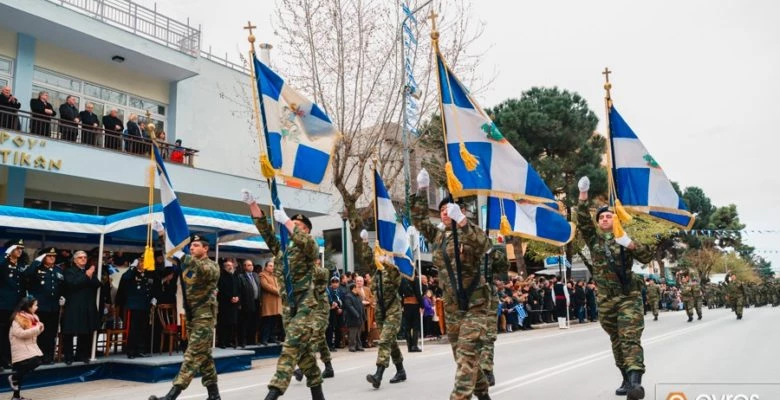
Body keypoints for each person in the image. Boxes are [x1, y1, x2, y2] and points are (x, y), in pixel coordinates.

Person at [411, 169, 492, 400]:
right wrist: (422, 191)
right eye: (442, 210)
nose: (445, 213)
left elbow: (485, 246)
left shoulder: (470, 232)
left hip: (475, 304)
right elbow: (419, 221)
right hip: (453, 307)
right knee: (462, 356)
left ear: (460, 211)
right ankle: (483, 394)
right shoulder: (439, 236)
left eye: (450, 209)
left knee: (466, 354)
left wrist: (463, 222)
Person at [576, 176, 655, 400]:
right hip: (606, 301)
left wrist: (629, 243)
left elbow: (647, 256)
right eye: (601, 217)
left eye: (608, 216)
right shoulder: (595, 241)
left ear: (616, 219)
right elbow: (583, 221)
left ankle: (636, 384)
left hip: (628, 297)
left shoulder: (625, 238)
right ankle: (625, 378)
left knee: (630, 338)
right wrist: (583, 195)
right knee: (617, 341)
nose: (604, 219)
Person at [242, 190, 324, 400]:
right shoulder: (282, 249)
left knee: (290, 346)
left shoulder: (309, 246)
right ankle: (318, 394)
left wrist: (287, 221)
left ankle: (273, 392)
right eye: (291, 224)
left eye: (298, 226)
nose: (292, 227)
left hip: (305, 302)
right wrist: (253, 205)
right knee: (304, 353)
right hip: (288, 305)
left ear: (306, 230)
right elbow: (266, 232)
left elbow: (310, 247)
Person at [149, 234, 221, 400]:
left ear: (205, 248)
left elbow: (202, 269)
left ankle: (171, 395)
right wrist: (163, 236)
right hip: (190, 315)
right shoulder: (187, 265)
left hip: (204, 316)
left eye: (196, 245)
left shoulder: (212, 266)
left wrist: (183, 256)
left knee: (192, 355)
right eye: (191, 246)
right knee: (204, 357)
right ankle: (214, 395)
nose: (192, 248)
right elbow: (173, 253)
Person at [359, 229, 407, 389]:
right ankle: (401, 370)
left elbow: (395, 273)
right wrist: (365, 242)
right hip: (381, 310)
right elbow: (367, 259)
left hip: (393, 310)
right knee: (390, 342)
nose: (379, 256)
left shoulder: (393, 272)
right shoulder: (376, 272)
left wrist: (387, 261)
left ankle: (378, 374)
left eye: (382, 254)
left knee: (385, 340)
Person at [293, 260, 335, 381]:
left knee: (314, 336)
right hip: (311, 309)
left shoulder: (323, 271)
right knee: (321, 339)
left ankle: (302, 369)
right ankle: (329, 367)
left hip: (321, 310)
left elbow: (317, 273)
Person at [22, 247, 63, 364]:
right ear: (43, 257)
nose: (52, 258)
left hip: (53, 307)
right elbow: (26, 275)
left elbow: (62, 286)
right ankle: (37, 356)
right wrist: (36, 261)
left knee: (51, 333)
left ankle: (48, 356)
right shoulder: (36, 268)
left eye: (54, 256)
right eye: (49, 256)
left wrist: (63, 297)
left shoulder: (58, 270)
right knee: (38, 333)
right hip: (39, 307)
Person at [61, 250, 101, 365]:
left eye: (85, 257)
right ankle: (68, 356)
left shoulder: (88, 271)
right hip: (74, 305)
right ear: (75, 260)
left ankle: (81, 355)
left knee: (85, 331)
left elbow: (97, 284)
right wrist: (87, 275)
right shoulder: (69, 271)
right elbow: (72, 283)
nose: (83, 259)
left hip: (87, 305)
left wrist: (90, 275)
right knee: (69, 331)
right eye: (80, 257)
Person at [116, 255, 155, 358]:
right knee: (133, 329)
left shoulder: (148, 274)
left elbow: (152, 287)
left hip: (145, 305)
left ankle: (140, 350)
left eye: (144, 262)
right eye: (141, 262)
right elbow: (125, 277)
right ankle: (131, 351)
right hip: (134, 305)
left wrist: (153, 298)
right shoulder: (132, 273)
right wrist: (132, 267)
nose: (143, 264)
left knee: (143, 328)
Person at [8, 296, 44, 400]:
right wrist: (37, 329)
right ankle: (13, 377)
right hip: (20, 348)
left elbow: (33, 333)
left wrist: (40, 328)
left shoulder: (33, 318)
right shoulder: (18, 318)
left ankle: (16, 397)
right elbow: (19, 333)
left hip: (28, 347)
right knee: (35, 361)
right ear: (28, 306)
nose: (37, 307)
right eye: (35, 305)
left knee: (20, 374)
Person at [0, 240, 27, 370]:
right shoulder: (3, 264)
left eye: (21, 249)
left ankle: (10, 358)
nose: (20, 251)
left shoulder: (20, 266)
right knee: (2, 333)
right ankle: (2, 360)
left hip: (17, 306)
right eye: (17, 248)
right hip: (3, 305)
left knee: (13, 333)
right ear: (10, 250)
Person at [217, 259, 240, 348]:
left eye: (231, 265)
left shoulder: (235, 276)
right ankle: (222, 342)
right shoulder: (221, 277)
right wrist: (230, 297)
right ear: (224, 267)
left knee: (232, 323)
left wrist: (238, 297)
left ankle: (229, 341)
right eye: (228, 265)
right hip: (225, 304)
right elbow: (222, 290)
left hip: (234, 304)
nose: (230, 267)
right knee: (224, 323)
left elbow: (239, 289)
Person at [237, 259, 260, 347]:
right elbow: (239, 290)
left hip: (256, 302)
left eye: (251, 265)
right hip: (246, 302)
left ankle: (252, 340)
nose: (251, 267)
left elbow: (258, 287)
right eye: (249, 265)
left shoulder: (255, 275)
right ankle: (243, 341)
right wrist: (239, 303)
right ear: (244, 266)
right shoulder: (241, 277)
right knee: (244, 322)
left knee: (254, 322)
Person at [259, 260, 282, 346]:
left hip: (276, 302)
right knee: (267, 321)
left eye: (273, 266)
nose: (272, 267)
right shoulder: (262, 275)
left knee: (274, 321)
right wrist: (278, 291)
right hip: (268, 302)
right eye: (270, 266)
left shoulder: (275, 276)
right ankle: (264, 339)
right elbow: (266, 286)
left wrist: (280, 290)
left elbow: (280, 285)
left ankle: (272, 338)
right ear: (265, 267)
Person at [400, 274, 423, 352]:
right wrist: (422, 305)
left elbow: (400, 293)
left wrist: (402, 304)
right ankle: (414, 345)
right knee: (415, 325)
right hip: (415, 304)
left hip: (406, 304)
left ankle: (409, 346)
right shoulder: (415, 279)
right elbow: (418, 293)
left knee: (408, 326)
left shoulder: (402, 279)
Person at [343, 282, 364, 352]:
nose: (359, 289)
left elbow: (361, 306)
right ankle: (352, 346)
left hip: (359, 318)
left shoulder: (358, 296)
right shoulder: (348, 296)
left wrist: (363, 315)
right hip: (352, 318)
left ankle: (358, 346)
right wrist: (356, 314)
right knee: (353, 333)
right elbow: (349, 306)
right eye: (357, 287)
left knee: (358, 333)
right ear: (353, 288)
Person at [325, 276, 343, 351]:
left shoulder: (340, 291)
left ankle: (337, 343)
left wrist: (340, 308)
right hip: (331, 312)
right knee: (330, 329)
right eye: (333, 282)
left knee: (338, 328)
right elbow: (330, 301)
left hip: (339, 312)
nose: (335, 284)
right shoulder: (329, 291)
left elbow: (342, 300)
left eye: (336, 282)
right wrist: (336, 306)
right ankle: (329, 345)